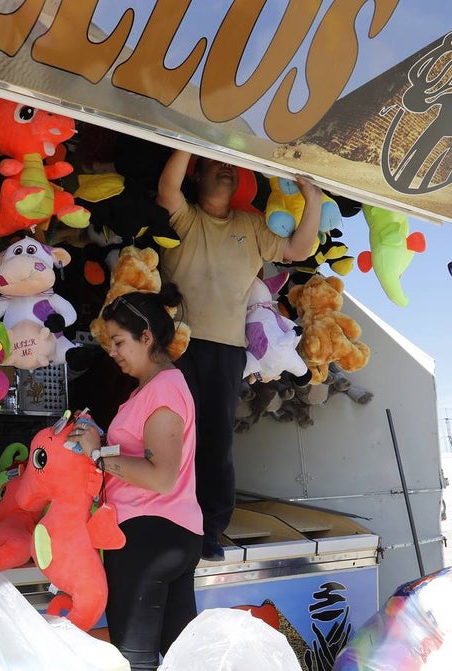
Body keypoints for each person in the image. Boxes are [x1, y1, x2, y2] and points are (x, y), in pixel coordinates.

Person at [156, 149, 323, 560]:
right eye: (214, 163)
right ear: (197, 174)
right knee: (171, 441)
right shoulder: (187, 216)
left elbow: (298, 250)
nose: (226, 168)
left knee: (215, 444)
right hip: (180, 348)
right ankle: (168, 523)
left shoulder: (250, 224)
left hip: (229, 351)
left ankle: (209, 531)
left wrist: (313, 198)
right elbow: (167, 189)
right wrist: (188, 143)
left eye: (230, 163)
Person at [68, 286, 200, 671]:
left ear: (146, 337)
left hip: (147, 537)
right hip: (168, 534)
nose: (113, 351)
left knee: (134, 662)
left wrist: (96, 452)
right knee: (183, 660)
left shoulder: (164, 390)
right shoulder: (151, 390)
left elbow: (161, 475)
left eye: (119, 341)